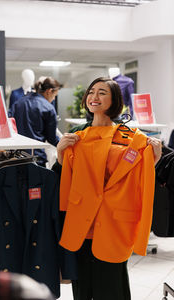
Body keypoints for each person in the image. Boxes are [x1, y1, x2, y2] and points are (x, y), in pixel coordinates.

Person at [54, 77, 162, 300]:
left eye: (102, 92)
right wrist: (60, 155)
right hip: (81, 223)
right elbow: (65, 179)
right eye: (91, 92)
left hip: (114, 222)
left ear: (115, 101)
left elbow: (138, 176)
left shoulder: (130, 136)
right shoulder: (77, 134)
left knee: (113, 288)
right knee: (82, 288)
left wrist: (153, 160)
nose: (94, 97)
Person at [9, 77, 62, 167]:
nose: (53, 99)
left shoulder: (18, 103)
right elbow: (51, 138)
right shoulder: (48, 108)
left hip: (17, 156)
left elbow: (9, 124)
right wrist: (65, 144)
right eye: (54, 96)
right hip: (36, 157)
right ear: (49, 91)